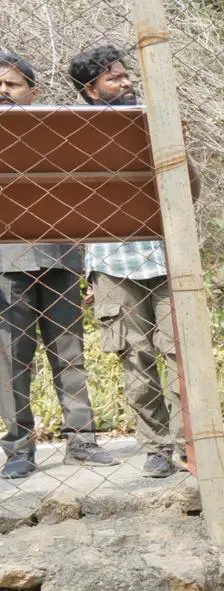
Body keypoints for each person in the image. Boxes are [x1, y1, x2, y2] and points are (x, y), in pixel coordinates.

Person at [70, 44, 201, 478]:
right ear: (91, 90)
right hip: (113, 263)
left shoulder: (155, 120)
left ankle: (190, 444)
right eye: (114, 77)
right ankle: (157, 447)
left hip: (166, 257)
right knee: (137, 358)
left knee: (180, 354)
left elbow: (190, 193)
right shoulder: (73, 133)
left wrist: (177, 146)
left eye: (127, 75)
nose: (127, 82)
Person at [0, 51, 118, 479]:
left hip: (60, 255)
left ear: (33, 92)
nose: (3, 91)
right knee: (11, 360)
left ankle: (82, 441)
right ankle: (19, 448)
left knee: (69, 353)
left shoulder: (57, 132)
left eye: (12, 85)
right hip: (6, 264)